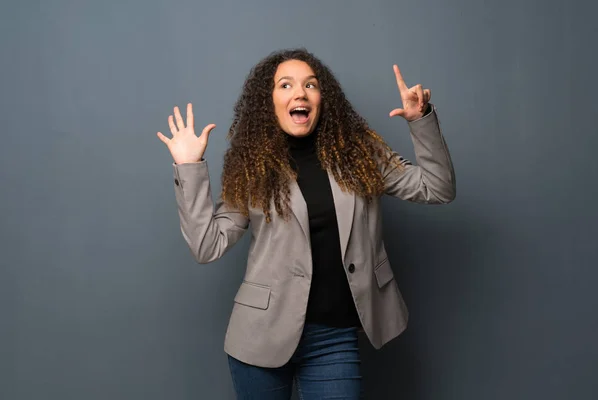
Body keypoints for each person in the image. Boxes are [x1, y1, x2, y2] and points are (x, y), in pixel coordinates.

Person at [157, 48, 455, 399]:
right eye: (285, 85)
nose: (299, 92)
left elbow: (438, 188)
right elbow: (206, 246)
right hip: (259, 338)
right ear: (268, 102)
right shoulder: (253, 168)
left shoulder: (361, 155)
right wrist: (189, 168)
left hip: (333, 337)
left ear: (321, 98)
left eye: (310, 85)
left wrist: (421, 120)